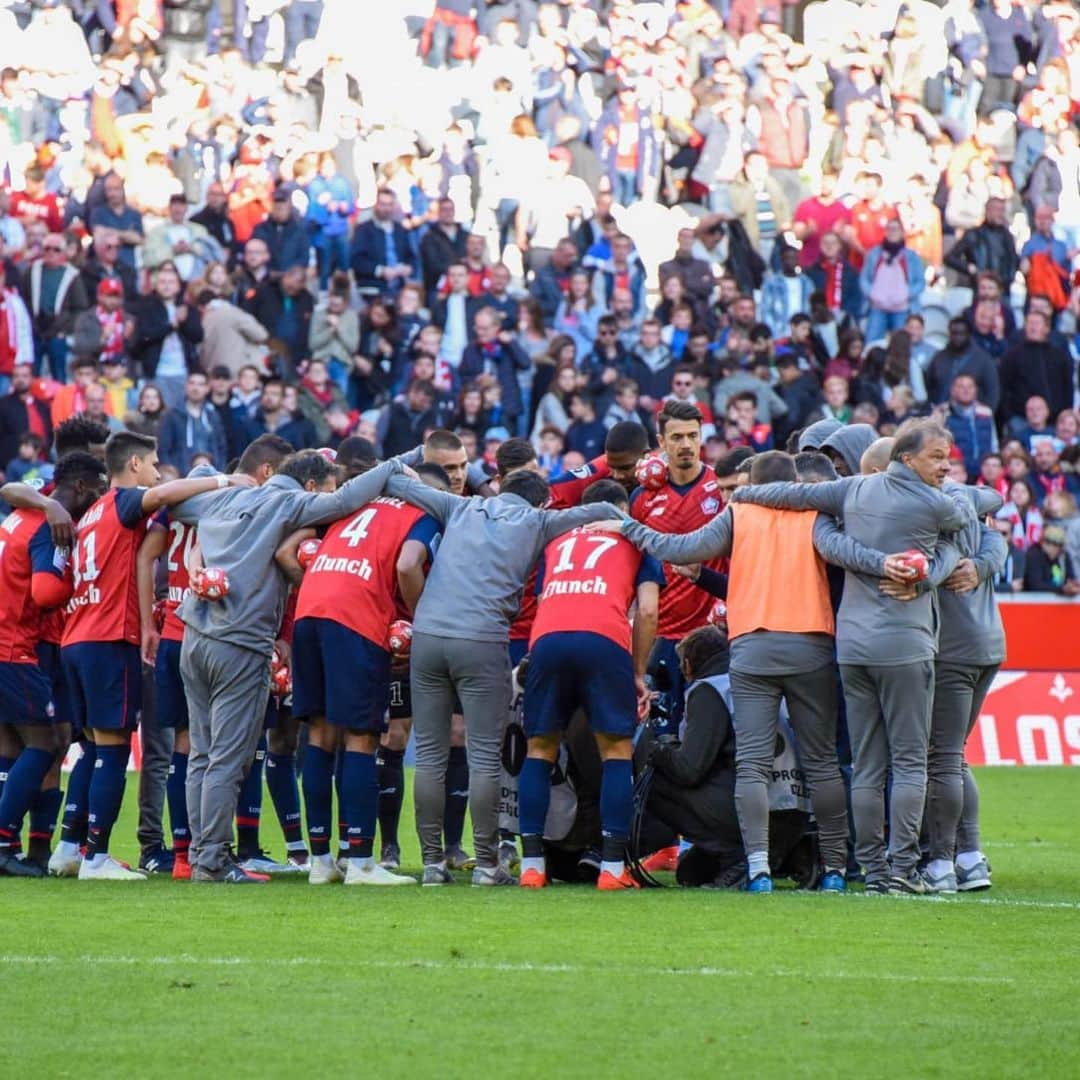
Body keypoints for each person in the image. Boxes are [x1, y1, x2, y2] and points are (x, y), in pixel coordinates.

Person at [595, 450, 898, 892]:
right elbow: (847, 553)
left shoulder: (739, 514)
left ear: (752, 483)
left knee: (752, 764)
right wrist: (890, 564)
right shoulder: (813, 514)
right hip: (810, 644)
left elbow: (681, 547)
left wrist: (627, 527)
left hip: (752, 645)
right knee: (822, 762)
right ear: (793, 481)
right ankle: (835, 867)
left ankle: (757, 868)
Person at [726, 420, 976, 893]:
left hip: (851, 646)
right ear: (906, 461)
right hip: (904, 644)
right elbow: (975, 509)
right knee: (909, 762)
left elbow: (795, 501)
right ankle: (902, 869)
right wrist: (928, 572)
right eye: (938, 458)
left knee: (866, 764)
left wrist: (746, 496)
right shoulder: (935, 501)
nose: (945, 466)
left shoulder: (848, 493)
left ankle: (873, 871)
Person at [3, 433, 251, 881]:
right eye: (154, 463)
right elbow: (163, 493)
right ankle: (96, 856)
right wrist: (224, 482)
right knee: (113, 750)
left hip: (76, 639)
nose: (158, 471)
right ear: (134, 464)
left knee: (93, 747)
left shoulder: (91, 512)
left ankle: (67, 848)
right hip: (108, 639)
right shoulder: (120, 501)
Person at [166, 449, 412, 884]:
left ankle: (203, 854)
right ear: (312, 486)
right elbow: (345, 501)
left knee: (202, 754)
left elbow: (173, 502)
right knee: (227, 758)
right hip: (238, 642)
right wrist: (396, 463)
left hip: (193, 636)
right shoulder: (288, 502)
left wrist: (221, 481)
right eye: (326, 490)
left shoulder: (228, 498)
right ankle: (212, 862)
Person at [379, 464, 622, 886]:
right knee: (485, 756)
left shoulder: (460, 506)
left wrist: (415, 458)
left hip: (429, 635)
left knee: (432, 756)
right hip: (483, 638)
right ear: (541, 499)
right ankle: (488, 864)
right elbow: (599, 509)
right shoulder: (539, 519)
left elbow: (395, 482)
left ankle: (433, 863)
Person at [285, 456, 444, 886]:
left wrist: (324, 587)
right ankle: (359, 862)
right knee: (361, 738)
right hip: (355, 621)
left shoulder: (350, 505)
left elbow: (286, 551)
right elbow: (408, 564)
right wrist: (422, 620)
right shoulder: (424, 513)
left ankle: (320, 862)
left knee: (318, 733)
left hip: (309, 613)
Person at [519, 478, 663, 891]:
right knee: (615, 750)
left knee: (540, 748)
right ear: (622, 510)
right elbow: (649, 611)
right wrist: (637, 672)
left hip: (547, 638)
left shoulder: (559, 541)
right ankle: (613, 869)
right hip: (604, 638)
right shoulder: (636, 539)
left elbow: (546, 596)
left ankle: (532, 866)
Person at [0, 452, 106, 876]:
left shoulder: (28, 509)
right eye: (96, 491)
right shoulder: (51, 527)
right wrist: (81, 584)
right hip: (17, 647)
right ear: (80, 487)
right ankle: (5, 841)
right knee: (45, 744)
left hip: (8, 643)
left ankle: (32, 848)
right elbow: (45, 593)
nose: (99, 499)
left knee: (10, 747)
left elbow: (8, 489)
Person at [921, 483, 1007, 894]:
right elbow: (993, 506)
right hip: (987, 644)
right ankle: (968, 857)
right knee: (953, 757)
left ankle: (945, 861)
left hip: (952, 649)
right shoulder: (977, 519)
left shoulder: (926, 515)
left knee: (944, 757)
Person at [628, 401, 725, 735]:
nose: (686, 444)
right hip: (662, 636)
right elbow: (632, 566)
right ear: (661, 442)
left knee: (708, 733)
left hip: (711, 635)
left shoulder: (721, 490)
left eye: (693, 435)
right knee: (662, 733)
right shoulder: (642, 498)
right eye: (677, 436)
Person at [129, 262, 204, 410]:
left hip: (182, 372)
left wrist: (184, 322)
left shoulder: (188, 309)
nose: (167, 286)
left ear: (178, 286)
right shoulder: (147, 308)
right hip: (157, 372)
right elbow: (144, 337)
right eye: (163, 282)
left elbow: (198, 336)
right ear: (155, 285)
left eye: (171, 282)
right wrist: (171, 326)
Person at [20, 232, 89, 383]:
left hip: (58, 331)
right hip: (35, 329)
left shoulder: (72, 275)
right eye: (47, 248)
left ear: (64, 253)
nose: (51, 253)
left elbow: (80, 307)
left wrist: (65, 330)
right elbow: (23, 299)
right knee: (33, 373)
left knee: (59, 375)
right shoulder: (32, 270)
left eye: (56, 249)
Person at [859, 219, 924, 342]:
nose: (892, 232)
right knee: (872, 341)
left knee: (901, 343)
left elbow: (920, 283)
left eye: (896, 229)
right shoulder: (874, 254)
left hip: (902, 308)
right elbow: (864, 279)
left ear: (902, 232)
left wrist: (905, 294)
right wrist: (872, 293)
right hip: (877, 307)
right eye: (890, 229)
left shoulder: (912, 257)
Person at [157, 370, 228, 474]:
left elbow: (221, 448)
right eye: (192, 383)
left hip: (211, 477)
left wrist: (220, 471)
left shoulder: (213, 416)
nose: (195, 388)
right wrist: (172, 474)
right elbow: (163, 450)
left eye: (200, 384)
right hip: (181, 479)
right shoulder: (172, 415)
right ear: (186, 386)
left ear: (207, 389)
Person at [350, 188, 416, 296]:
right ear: (376, 205)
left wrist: (408, 268)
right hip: (372, 286)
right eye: (383, 204)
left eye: (390, 204)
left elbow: (411, 257)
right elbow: (356, 260)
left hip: (399, 286)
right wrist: (380, 271)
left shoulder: (400, 230)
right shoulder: (363, 230)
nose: (386, 208)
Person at [940, 374, 999, 480]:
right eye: (961, 387)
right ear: (953, 390)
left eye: (970, 386)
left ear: (975, 390)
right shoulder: (943, 413)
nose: (966, 390)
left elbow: (994, 444)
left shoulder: (986, 412)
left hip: (984, 474)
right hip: (956, 474)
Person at [252, 189, 311, 277]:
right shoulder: (260, 229)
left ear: (289, 207)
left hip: (291, 279)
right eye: (277, 206)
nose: (279, 210)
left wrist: (288, 273)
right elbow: (254, 253)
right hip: (266, 278)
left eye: (283, 206)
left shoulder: (299, 231)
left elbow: (304, 258)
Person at [1023, 523, 1080, 595]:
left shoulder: (1063, 555)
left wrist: (1073, 585)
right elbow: (1035, 585)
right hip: (1036, 602)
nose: (1053, 548)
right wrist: (1061, 589)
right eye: (1050, 543)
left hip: (1060, 602)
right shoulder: (1034, 555)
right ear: (1043, 542)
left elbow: (1070, 577)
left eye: (1058, 545)